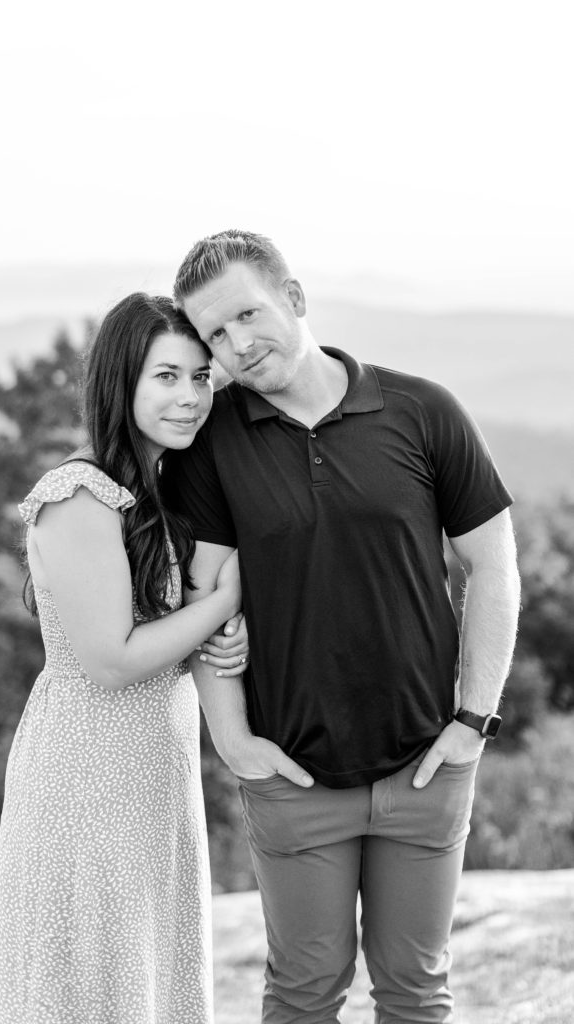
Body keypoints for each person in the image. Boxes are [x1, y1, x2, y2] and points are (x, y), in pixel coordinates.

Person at [168, 230, 521, 1024]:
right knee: (302, 994)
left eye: (247, 316)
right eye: (215, 335)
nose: (238, 344)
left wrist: (472, 720)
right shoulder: (213, 443)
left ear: (292, 299)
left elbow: (492, 567)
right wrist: (234, 741)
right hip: (291, 774)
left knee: (415, 993)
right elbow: (205, 594)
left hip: (426, 764)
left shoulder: (420, 409)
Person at [0, 292, 249, 1024]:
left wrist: (206, 635)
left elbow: (154, 632)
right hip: (84, 776)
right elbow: (109, 658)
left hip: (151, 776)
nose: (190, 396)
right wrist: (219, 606)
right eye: (165, 376)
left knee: (147, 979)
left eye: (201, 377)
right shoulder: (80, 496)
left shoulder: (156, 491)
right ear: (120, 381)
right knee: (93, 984)